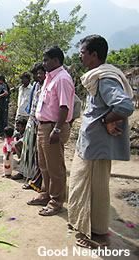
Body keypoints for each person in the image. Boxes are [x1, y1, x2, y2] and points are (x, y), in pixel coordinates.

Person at [68, 35, 134, 249]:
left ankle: (99, 236)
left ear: (94, 55)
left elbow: (124, 106)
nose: (80, 55)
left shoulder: (105, 79)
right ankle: (83, 223)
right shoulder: (97, 78)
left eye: (83, 52)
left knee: (97, 191)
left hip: (97, 147)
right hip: (90, 145)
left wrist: (107, 120)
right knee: (82, 183)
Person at [27, 46, 75, 217]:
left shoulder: (62, 79)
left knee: (55, 167)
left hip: (53, 127)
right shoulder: (49, 78)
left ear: (56, 60)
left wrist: (57, 129)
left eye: (46, 60)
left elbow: (64, 107)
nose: (43, 63)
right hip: (43, 126)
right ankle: (45, 193)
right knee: (44, 165)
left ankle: (56, 201)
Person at [20, 63, 46, 189]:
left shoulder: (48, 85)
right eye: (35, 74)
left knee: (39, 155)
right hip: (32, 121)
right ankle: (28, 175)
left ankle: (37, 181)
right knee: (29, 151)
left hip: (42, 124)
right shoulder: (36, 85)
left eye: (39, 73)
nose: (37, 76)